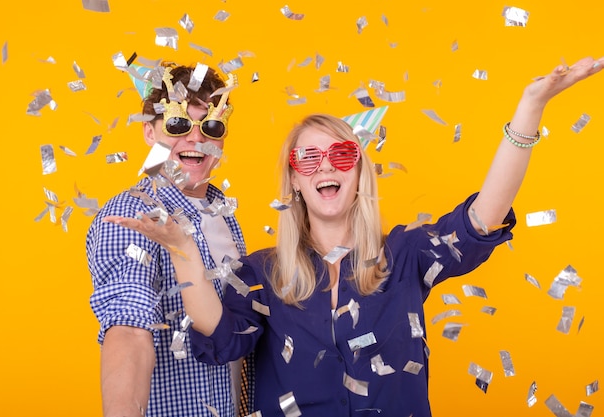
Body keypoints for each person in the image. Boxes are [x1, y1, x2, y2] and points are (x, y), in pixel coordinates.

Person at [104, 57, 604, 416]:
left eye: (342, 156)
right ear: (294, 181)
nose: (327, 167)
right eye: (309, 159)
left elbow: (483, 216)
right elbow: (219, 335)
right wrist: (185, 251)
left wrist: (530, 106)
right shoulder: (261, 272)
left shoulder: (405, 255)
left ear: (360, 172)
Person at [87, 61, 249, 417]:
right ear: (149, 132)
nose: (196, 138)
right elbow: (129, 329)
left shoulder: (223, 213)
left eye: (211, 124)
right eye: (178, 124)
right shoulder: (133, 214)